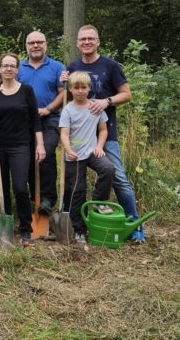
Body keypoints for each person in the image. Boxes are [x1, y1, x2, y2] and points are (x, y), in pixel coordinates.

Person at [62, 24, 145, 243]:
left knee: (118, 177)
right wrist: (61, 83)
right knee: (75, 185)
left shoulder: (110, 66)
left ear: (98, 41)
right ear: (77, 43)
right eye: (83, 39)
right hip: (79, 138)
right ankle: (79, 224)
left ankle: (135, 225)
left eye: (91, 38)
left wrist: (106, 101)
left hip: (105, 134)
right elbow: (66, 95)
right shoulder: (73, 66)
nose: (87, 42)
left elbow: (126, 94)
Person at [0, 53, 45, 247]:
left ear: (18, 69)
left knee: (20, 187)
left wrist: (40, 144)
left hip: (21, 145)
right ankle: (6, 228)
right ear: (0, 68)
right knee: (1, 189)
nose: (9, 69)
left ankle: (26, 229)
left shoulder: (26, 90)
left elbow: (35, 120)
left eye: (12, 66)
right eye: (5, 66)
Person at [59, 71, 114, 243]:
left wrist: (99, 146)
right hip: (74, 156)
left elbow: (103, 130)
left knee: (108, 168)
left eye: (84, 87)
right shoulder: (68, 110)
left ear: (89, 88)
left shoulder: (95, 107)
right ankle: (79, 230)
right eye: (76, 88)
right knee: (77, 191)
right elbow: (64, 134)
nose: (80, 91)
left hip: (92, 151)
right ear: (71, 89)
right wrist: (68, 149)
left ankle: (98, 201)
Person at [17, 30, 65, 216]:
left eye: (39, 42)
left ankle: (47, 198)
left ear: (46, 44)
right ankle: (31, 198)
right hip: (24, 122)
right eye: (31, 43)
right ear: (26, 46)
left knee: (46, 153)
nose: (35, 46)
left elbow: (63, 93)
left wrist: (48, 109)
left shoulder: (57, 67)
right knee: (27, 157)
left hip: (49, 120)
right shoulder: (18, 68)